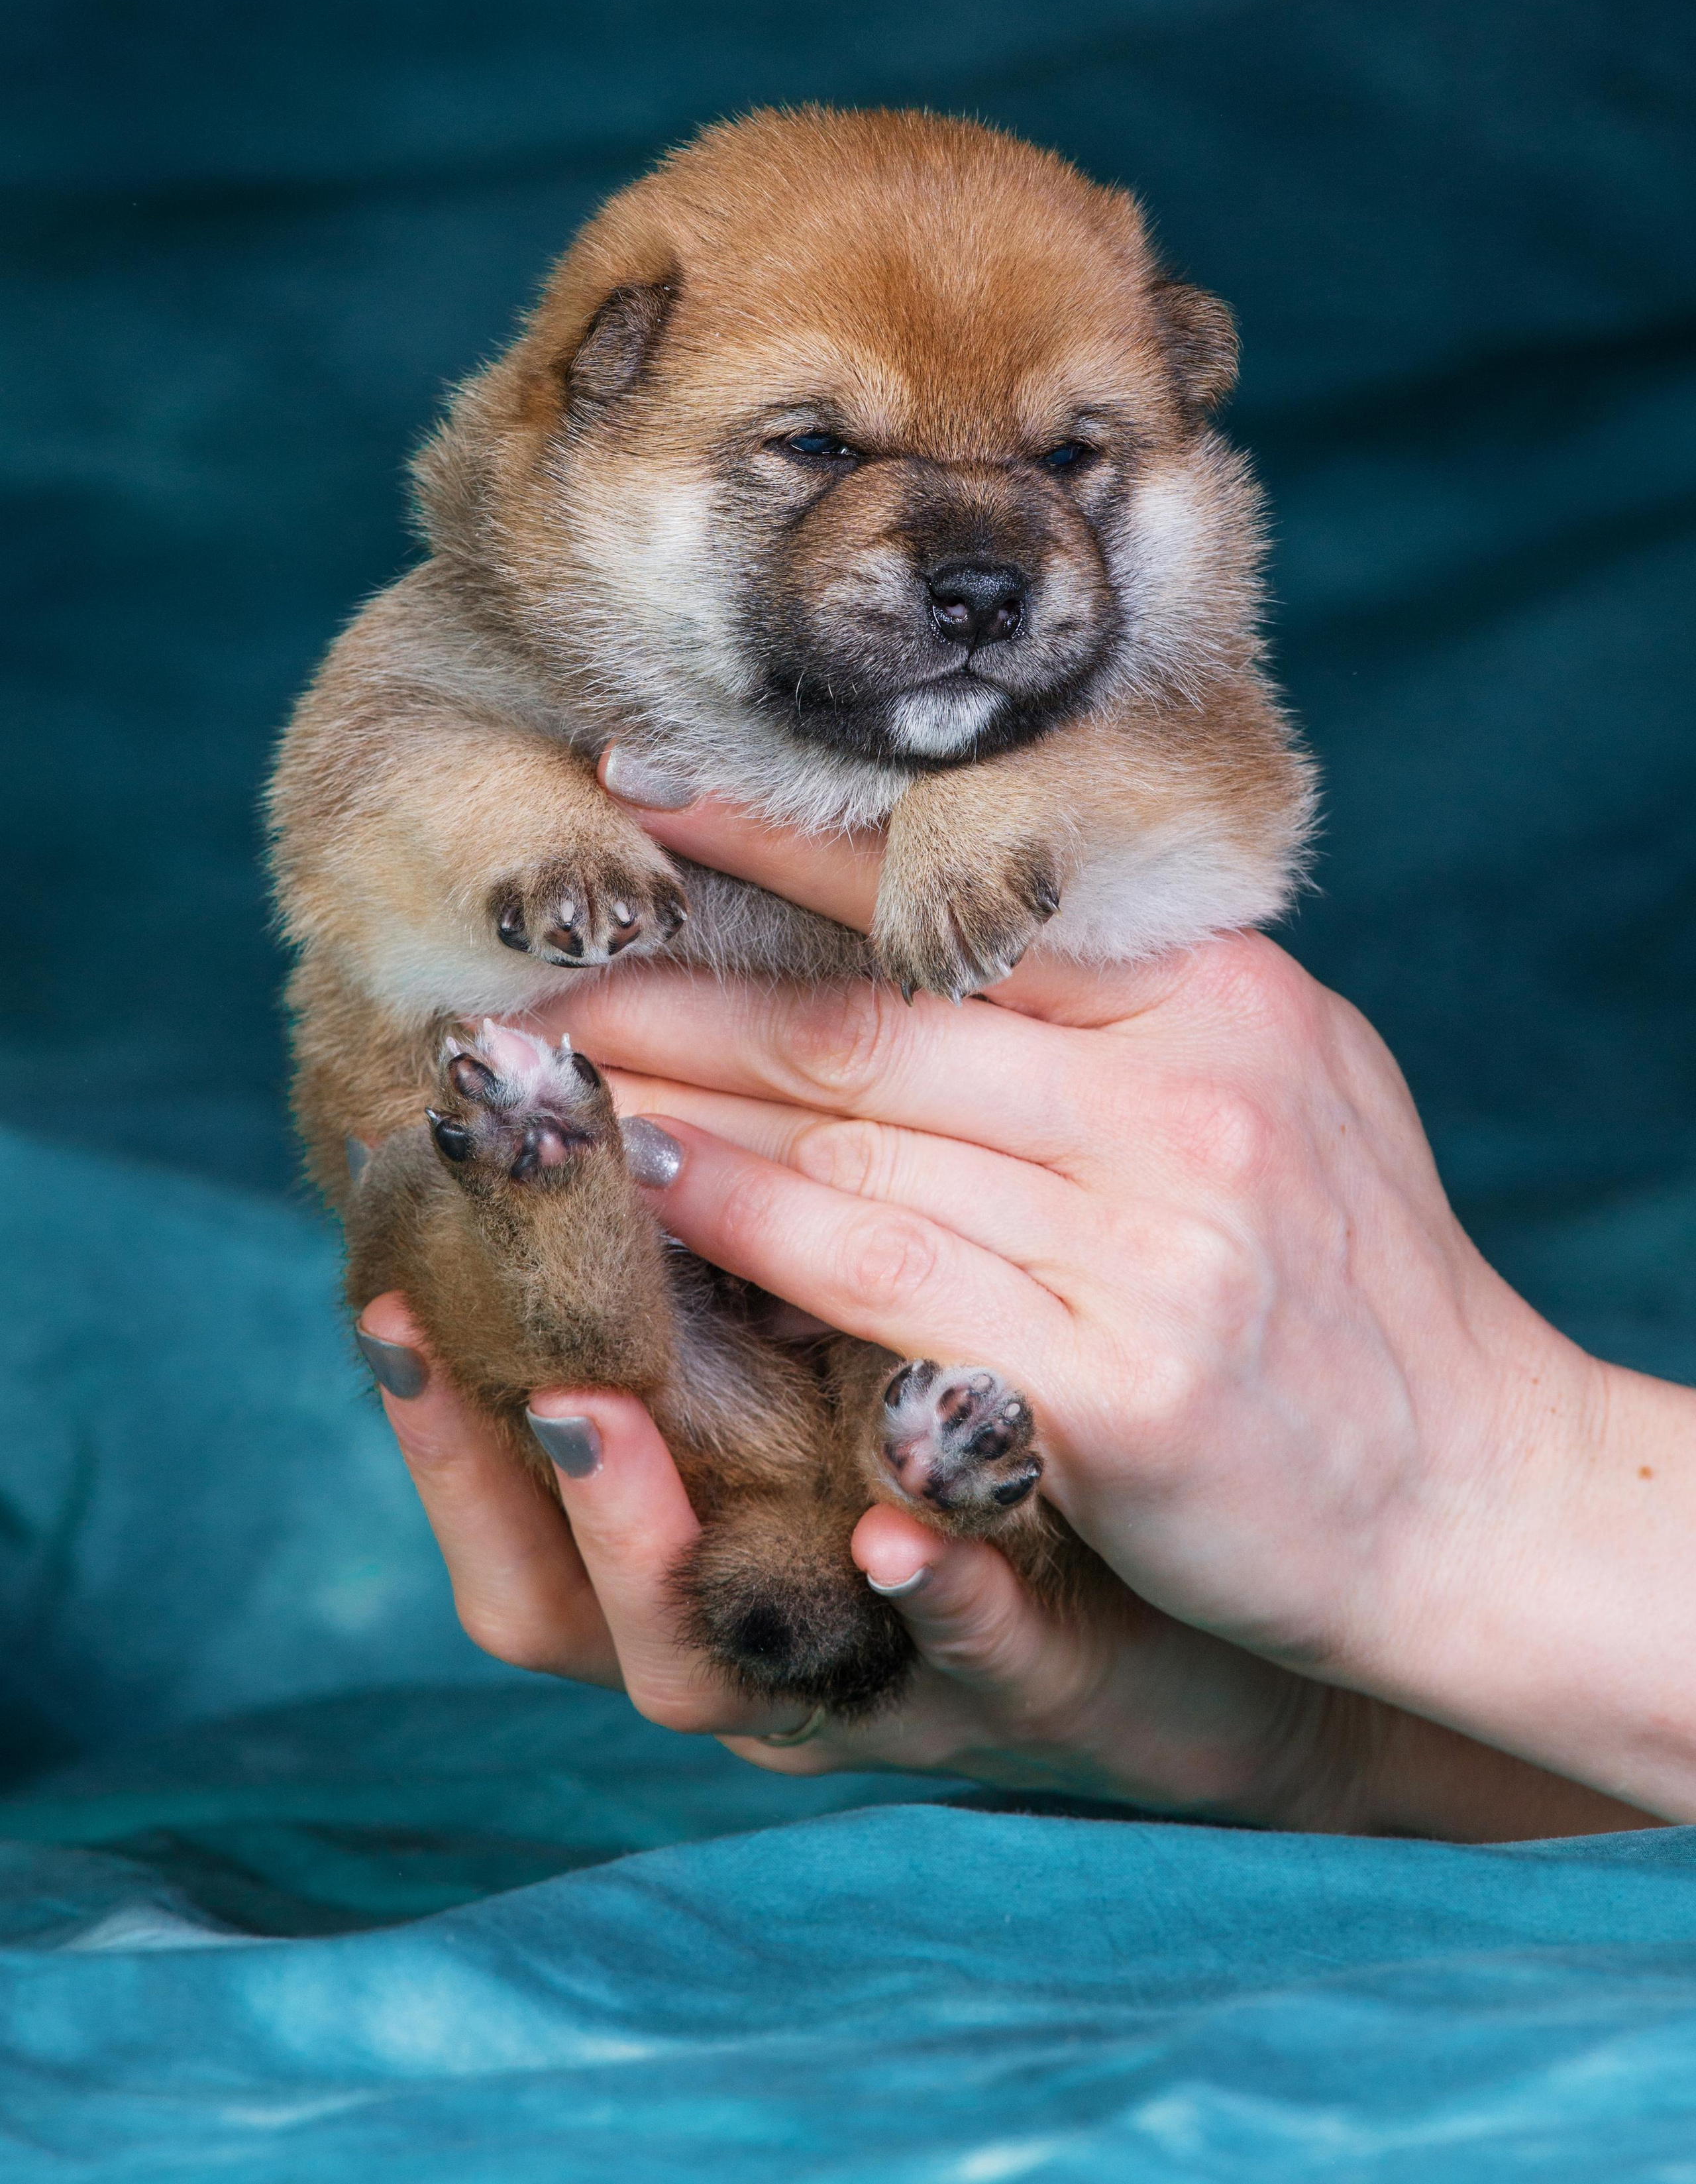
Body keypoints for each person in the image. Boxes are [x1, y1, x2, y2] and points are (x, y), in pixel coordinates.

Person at [354, 761, 1696, 1841]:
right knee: (577, 1339)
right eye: (812, 452)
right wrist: (1326, 1736)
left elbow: (1222, 807)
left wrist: (1489, 1481)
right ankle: (641, 1279)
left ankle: (886, 1432)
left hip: (851, 1411)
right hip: (734, 1402)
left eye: (1066, 458)